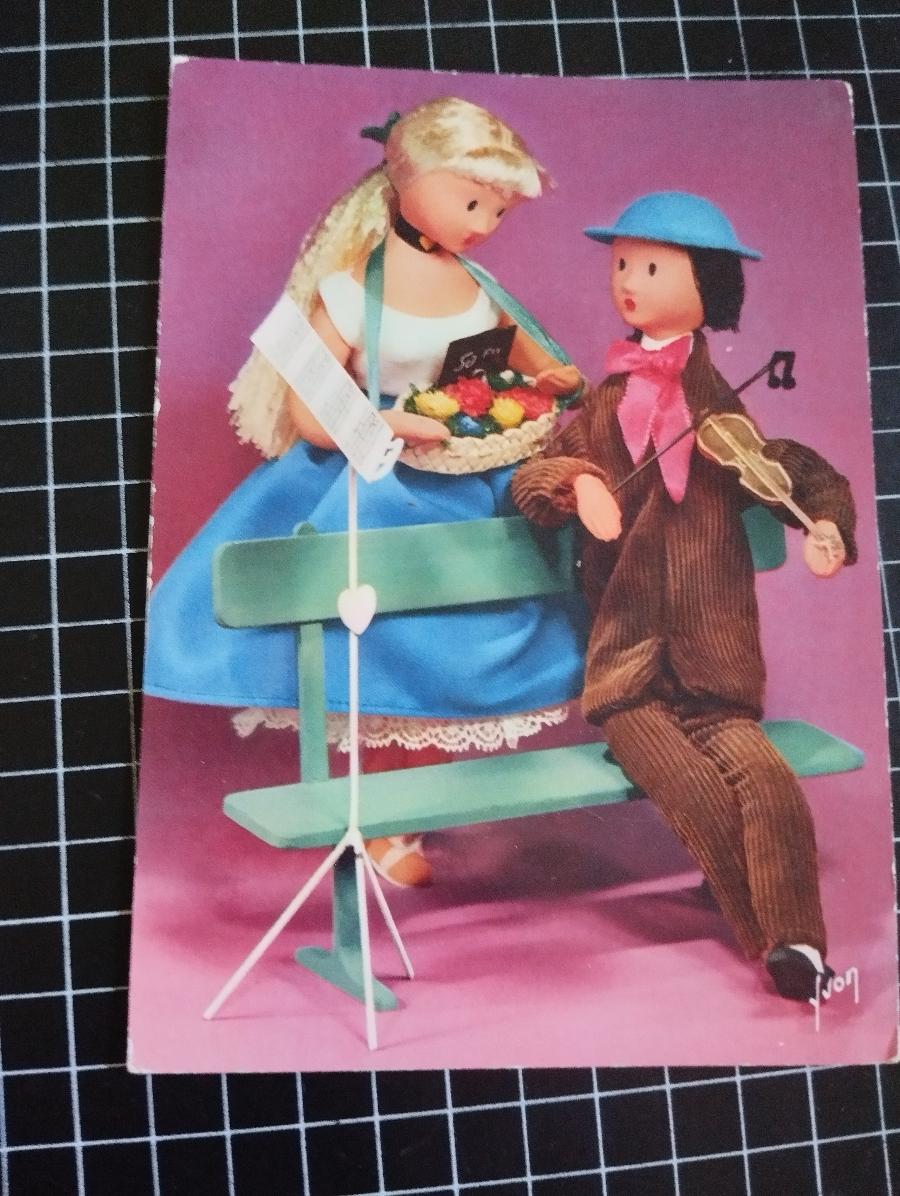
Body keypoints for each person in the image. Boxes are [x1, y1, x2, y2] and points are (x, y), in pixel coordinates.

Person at [143, 97, 586, 888]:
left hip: (468, 483)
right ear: (408, 181)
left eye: (497, 209)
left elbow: (532, 361)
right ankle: (377, 823)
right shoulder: (351, 289)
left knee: (457, 646)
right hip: (378, 486)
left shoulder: (477, 284)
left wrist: (549, 380)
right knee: (381, 653)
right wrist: (389, 421)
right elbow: (312, 415)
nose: (485, 224)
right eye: (472, 202)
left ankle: (406, 813)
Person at [512, 191, 857, 1000]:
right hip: (628, 672)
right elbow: (532, 479)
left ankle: (800, 944)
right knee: (690, 784)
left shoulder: (720, 410)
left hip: (715, 667)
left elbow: (788, 472)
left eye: (652, 268)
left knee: (768, 780)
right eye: (622, 265)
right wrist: (576, 484)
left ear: (709, 286)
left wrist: (824, 525)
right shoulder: (604, 404)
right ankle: (775, 943)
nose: (629, 282)